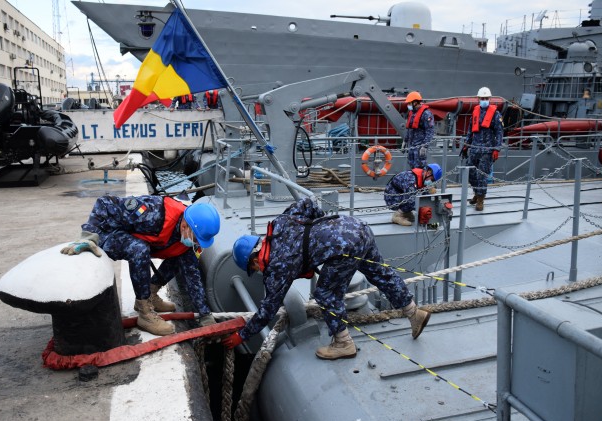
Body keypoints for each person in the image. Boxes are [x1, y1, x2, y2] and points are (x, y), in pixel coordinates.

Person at [223, 197, 431, 360]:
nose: (258, 271)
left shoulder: (277, 267)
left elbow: (268, 309)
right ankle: (414, 313)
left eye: (254, 268)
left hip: (343, 247)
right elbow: (307, 204)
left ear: (254, 260)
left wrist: (242, 335)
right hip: (356, 227)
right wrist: (321, 228)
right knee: (380, 274)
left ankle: (343, 343)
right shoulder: (280, 223)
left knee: (325, 293)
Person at [60, 196, 221, 336]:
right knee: (139, 249)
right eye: (196, 238)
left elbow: (193, 278)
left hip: (138, 241)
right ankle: (144, 312)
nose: (196, 243)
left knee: (183, 258)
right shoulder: (153, 213)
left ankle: (151, 294)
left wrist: (205, 315)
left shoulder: (186, 240)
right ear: (185, 225)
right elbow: (104, 202)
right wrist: (89, 236)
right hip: (108, 234)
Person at [461, 87, 503, 211]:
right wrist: (466, 145)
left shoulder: (495, 114)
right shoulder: (475, 112)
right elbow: (470, 131)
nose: (484, 100)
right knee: (470, 173)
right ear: (478, 99)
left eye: (486, 98)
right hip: (474, 149)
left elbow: (499, 132)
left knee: (482, 176)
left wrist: (496, 149)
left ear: (489, 99)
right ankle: (477, 192)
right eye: (482, 98)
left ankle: (480, 200)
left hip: (487, 150)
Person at [403, 91, 435, 169]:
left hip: (419, 147)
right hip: (411, 146)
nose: (408, 105)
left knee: (420, 167)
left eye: (409, 103)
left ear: (415, 103)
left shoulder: (426, 114)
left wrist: (424, 146)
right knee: (411, 166)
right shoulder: (411, 113)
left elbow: (430, 131)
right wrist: (405, 141)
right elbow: (409, 129)